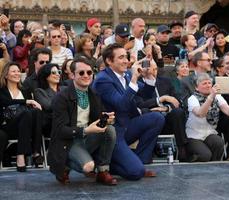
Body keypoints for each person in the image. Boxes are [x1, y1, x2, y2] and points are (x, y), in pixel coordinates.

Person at [92, 43, 165, 180]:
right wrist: (134, 78)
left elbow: (146, 93)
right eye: (121, 57)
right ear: (109, 61)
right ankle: (105, 165)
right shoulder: (103, 80)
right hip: (112, 133)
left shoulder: (125, 75)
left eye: (126, 57)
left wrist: (148, 76)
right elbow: (121, 105)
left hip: (127, 126)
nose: (126, 60)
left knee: (157, 118)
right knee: (135, 173)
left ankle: (139, 162)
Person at [48, 57, 117, 185]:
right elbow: (60, 130)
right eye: (81, 73)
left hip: (87, 137)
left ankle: (103, 171)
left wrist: (107, 118)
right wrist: (85, 130)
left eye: (89, 72)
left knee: (110, 130)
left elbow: (98, 117)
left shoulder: (93, 94)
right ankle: (64, 166)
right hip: (68, 141)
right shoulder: (61, 97)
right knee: (88, 167)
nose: (86, 75)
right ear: (72, 75)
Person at [135, 59, 189, 162]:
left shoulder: (166, 81)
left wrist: (166, 108)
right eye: (150, 70)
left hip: (167, 118)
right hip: (149, 119)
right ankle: (148, 151)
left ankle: (182, 149)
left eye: (155, 69)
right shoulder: (137, 84)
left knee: (178, 112)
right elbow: (140, 105)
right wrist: (160, 99)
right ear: (143, 70)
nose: (153, 72)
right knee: (146, 112)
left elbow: (177, 101)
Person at [0, 62, 43, 172]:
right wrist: (26, 101)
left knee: (35, 112)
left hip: (26, 126)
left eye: (18, 71)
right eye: (13, 71)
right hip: (8, 125)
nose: (17, 73)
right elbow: (6, 102)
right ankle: (27, 153)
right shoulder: (2, 90)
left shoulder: (25, 90)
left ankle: (33, 152)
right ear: (6, 75)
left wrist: (28, 102)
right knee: (26, 112)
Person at [186, 73, 229, 161]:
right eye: (204, 83)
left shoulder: (217, 96)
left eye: (209, 83)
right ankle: (191, 160)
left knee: (219, 142)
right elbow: (200, 114)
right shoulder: (192, 99)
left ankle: (216, 167)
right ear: (196, 87)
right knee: (205, 155)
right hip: (194, 135)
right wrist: (211, 97)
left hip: (209, 133)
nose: (208, 85)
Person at [34, 63, 63, 137]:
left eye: (58, 72)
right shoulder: (39, 91)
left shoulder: (65, 89)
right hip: (51, 124)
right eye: (54, 72)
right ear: (46, 76)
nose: (57, 74)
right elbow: (49, 106)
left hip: (67, 121)